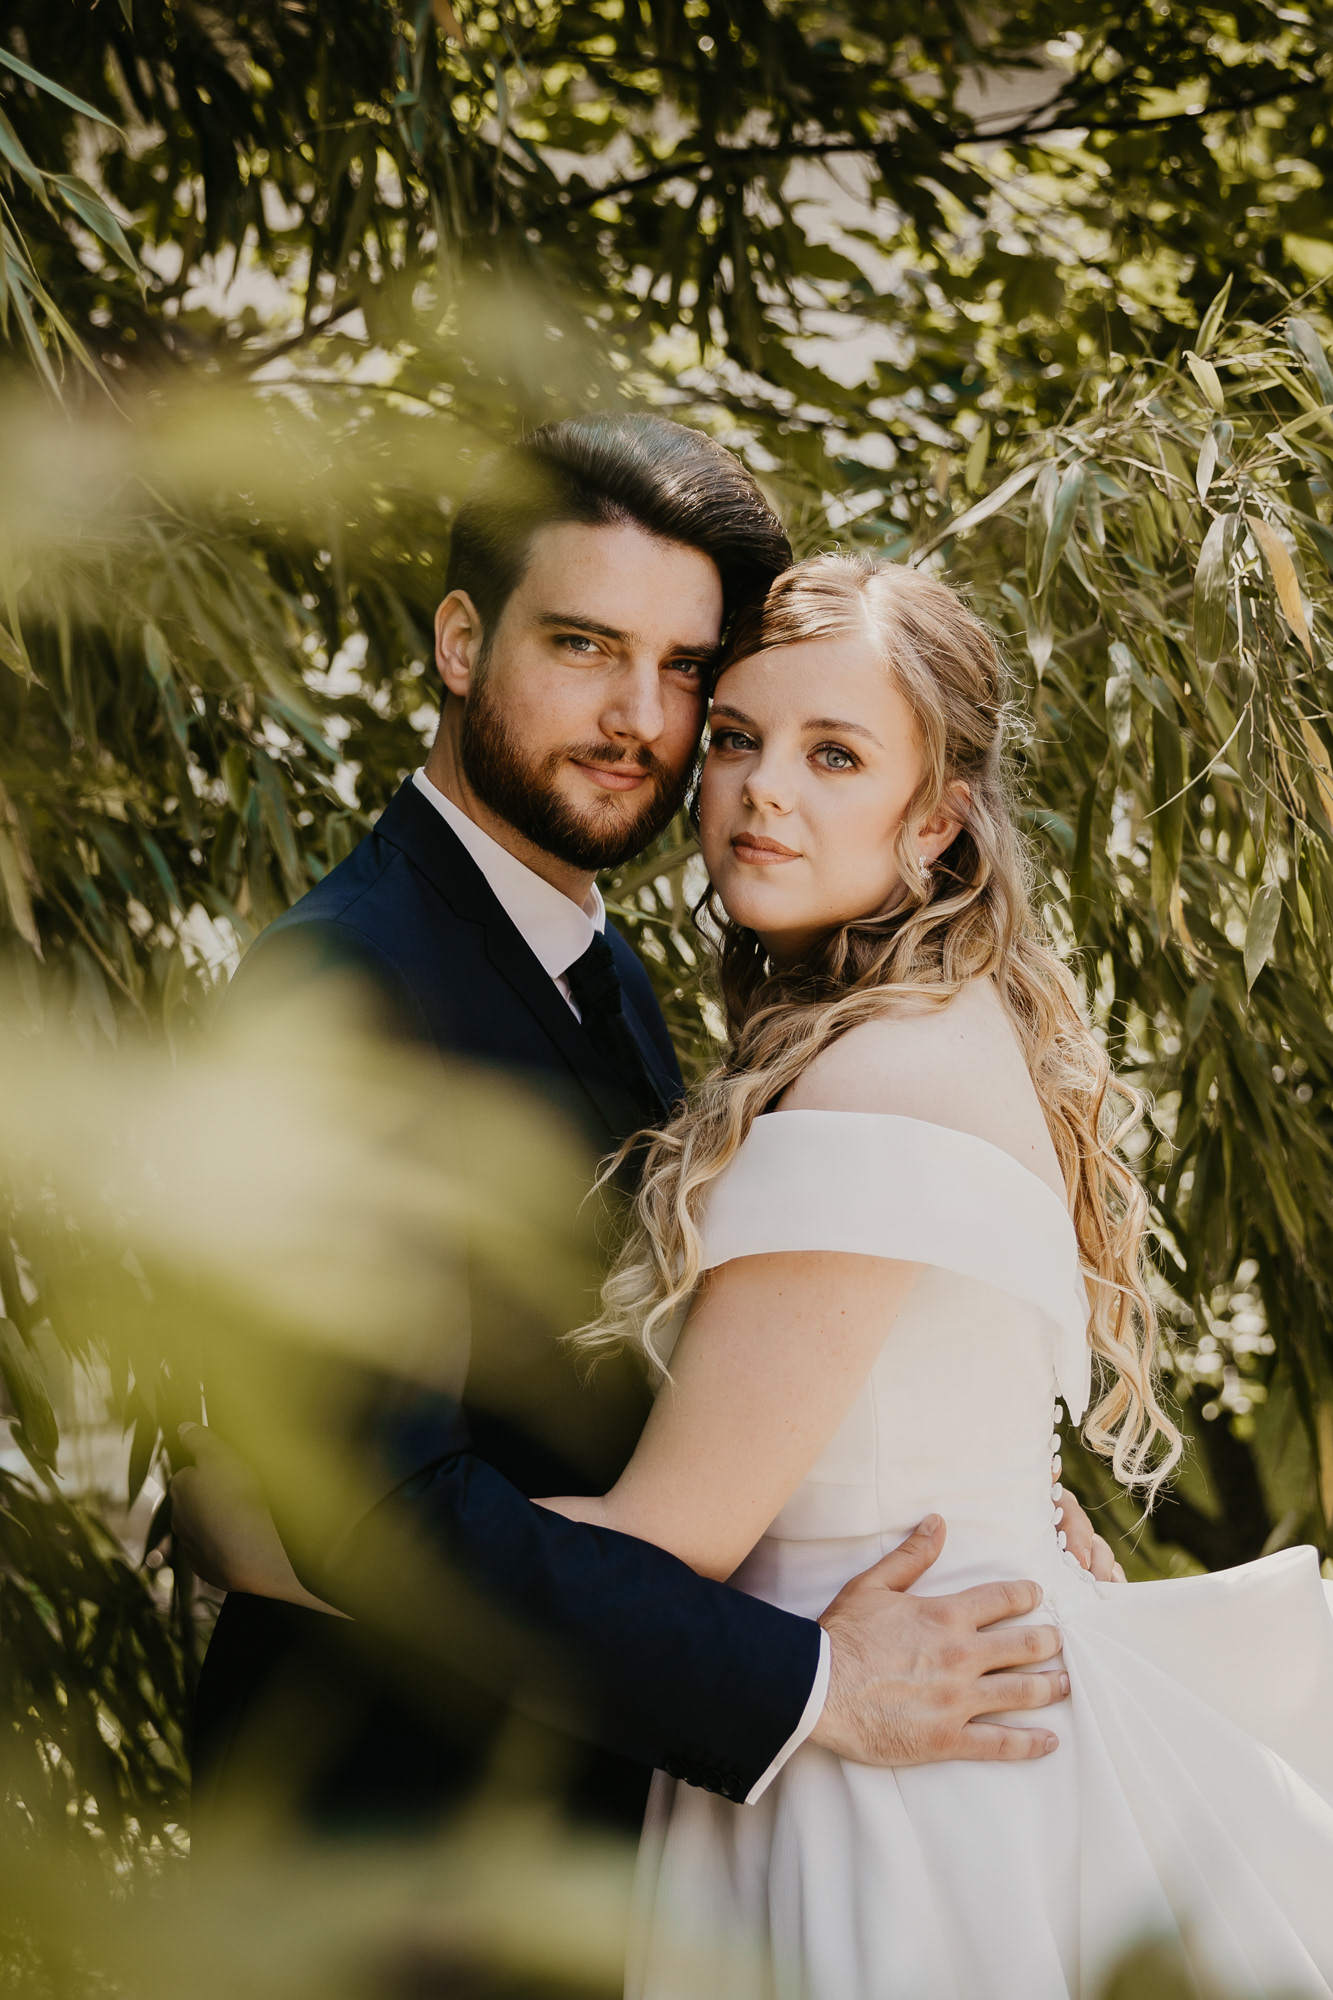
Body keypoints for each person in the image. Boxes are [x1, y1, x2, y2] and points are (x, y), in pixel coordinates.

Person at [178, 415, 1106, 1840]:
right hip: (384, 1833)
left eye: (683, 672)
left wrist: (977, 1511)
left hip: (577, 1819)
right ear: (460, 642)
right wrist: (807, 1677)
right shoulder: (349, 980)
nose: (638, 718)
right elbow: (371, 1506)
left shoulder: (604, 973)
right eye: (583, 645)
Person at [529, 554, 1333, 1997]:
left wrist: (317, 1539)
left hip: (893, 1775)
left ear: (938, 817)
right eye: (738, 739)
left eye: (834, 754)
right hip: (920, 1703)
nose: (763, 791)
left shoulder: (876, 1079)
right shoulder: (924, 1024)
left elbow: (664, 1544)